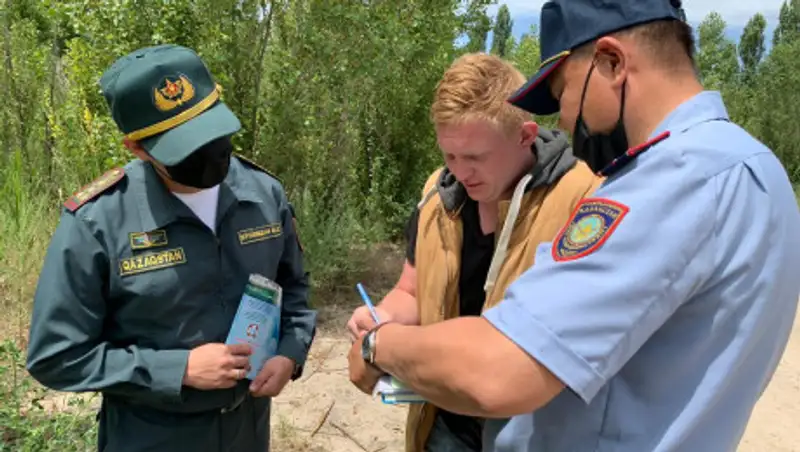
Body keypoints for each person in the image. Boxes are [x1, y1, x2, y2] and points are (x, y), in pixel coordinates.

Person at [346, 0, 800, 451]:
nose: (563, 118)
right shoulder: (757, 168)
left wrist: (379, 345)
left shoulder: (670, 181)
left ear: (612, 62)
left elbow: (501, 371)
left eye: (563, 90)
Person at [25, 44, 317, 452]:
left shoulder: (264, 195)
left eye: (211, 132)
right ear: (137, 148)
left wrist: (289, 353)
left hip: (247, 431)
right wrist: (177, 370)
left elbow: (294, 292)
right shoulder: (97, 223)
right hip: (153, 437)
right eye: (184, 148)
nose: (208, 153)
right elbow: (55, 356)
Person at [346, 53, 603, 451]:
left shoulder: (585, 198)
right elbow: (411, 290)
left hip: (537, 432)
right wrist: (381, 318)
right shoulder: (438, 194)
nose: (461, 172)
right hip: (442, 421)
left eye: (475, 158)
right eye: (449, 155)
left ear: (525, 135)